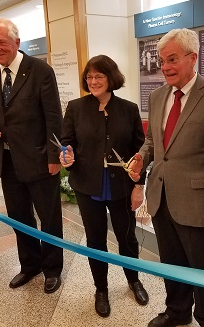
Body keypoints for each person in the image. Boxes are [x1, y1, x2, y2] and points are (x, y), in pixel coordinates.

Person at [130, 28, 204, 327]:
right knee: (172, 263)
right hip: (161, 197)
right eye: (162, 61)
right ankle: (177, 311)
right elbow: (152, 142)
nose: (165, 67)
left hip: (197, 203)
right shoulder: (157, 95)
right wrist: (141, 158)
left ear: (193, 58)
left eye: (172, 59)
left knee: (202, 269)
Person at [0, 18, 63, 293]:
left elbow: (53, 117)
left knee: (49, 218)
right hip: (8, 159)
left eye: (1, 42)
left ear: (17, 42)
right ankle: (30, 265)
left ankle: (52, 269)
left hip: (39, 159)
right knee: (18, 215)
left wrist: (53, 157)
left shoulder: (39, 70)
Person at [59, 55, 148, 318]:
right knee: (96, 240)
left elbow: (138, 152)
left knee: (127, 238)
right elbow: (67, 142)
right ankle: (101, 289)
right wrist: (67, 155)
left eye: (99, 76)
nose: (93, 81)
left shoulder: (129, 109)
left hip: (121, 186)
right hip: (88, 186)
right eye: (89, 77)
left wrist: (138, 186)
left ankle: (134, 280)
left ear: (111, 78)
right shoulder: (75, 107)